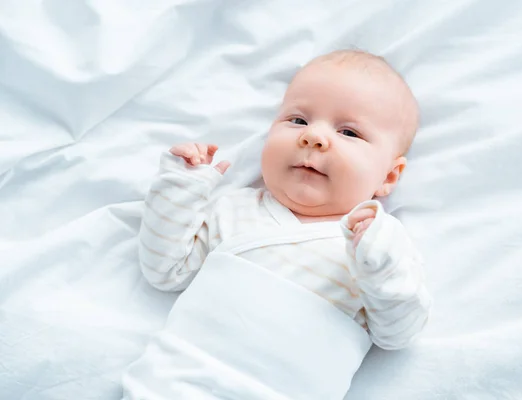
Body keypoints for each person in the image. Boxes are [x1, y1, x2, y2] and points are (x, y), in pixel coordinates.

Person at [123, 49, 432, 400]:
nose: (314, 136)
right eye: (298, 120)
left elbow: (397, 335)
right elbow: (165, 271)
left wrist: (382, 266)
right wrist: (179, 188)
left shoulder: (380, 246)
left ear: (389, 175)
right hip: (175, 385)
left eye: (348, 131)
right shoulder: (236, 209)